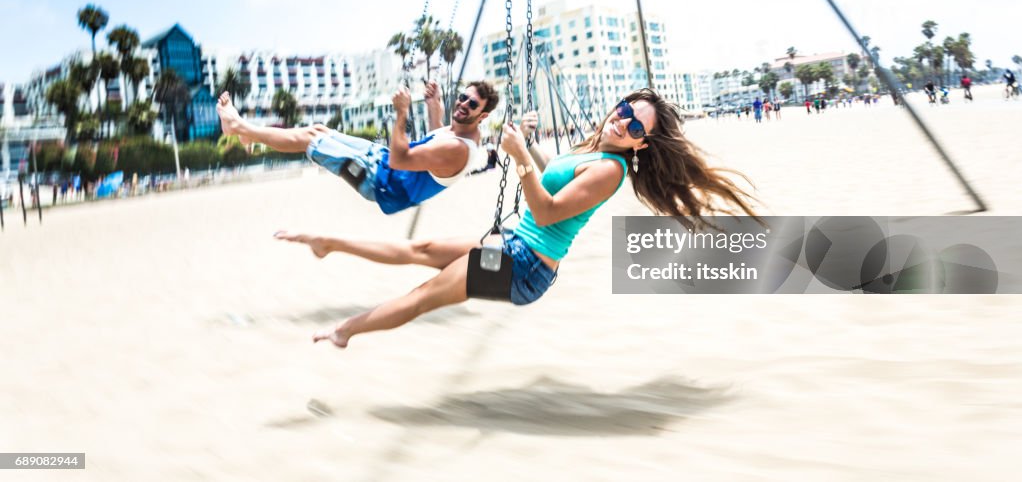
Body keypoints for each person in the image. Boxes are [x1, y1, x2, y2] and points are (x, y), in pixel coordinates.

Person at [274, 89, 759, 349]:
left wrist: (519, 157)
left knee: (423, 296)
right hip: (513, 247)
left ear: (641, 144)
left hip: (525, 265)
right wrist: (529, 147)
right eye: (624, 109)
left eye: (635, 125)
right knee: (419, 251)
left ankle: (343, 332)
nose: (622, 120)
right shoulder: (593, 148)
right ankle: (328, 243)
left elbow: (546, 209)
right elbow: (553, 180)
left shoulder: (610, 170)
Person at [216, 80, 498, 214]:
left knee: (310, 140)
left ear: (483, 116)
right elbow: (438, 138)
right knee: (319, 130)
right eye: (463, 97)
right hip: (382, 163)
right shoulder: (461, 134)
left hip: (381, 183)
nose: (462, 104)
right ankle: (246, 134)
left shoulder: (460, 150)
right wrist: (433, 105)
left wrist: (402, 113)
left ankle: (238, 127)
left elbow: (401, 160)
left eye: (472, 104)